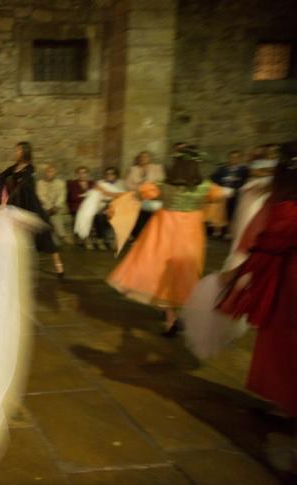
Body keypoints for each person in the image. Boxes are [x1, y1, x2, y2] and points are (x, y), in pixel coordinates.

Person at [216, 140, 297, 437]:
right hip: (286, 274)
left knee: (287, 341)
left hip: (290, 282)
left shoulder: (286, 206)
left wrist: (238, 272)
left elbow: (268, 243)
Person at [107, 146, 224, 336]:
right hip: (190, 233)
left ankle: (169, 317)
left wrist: (118, 205)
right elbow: (218, 197)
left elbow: (140, 193)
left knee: (160, 270)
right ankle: (174, 315)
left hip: (163, 231)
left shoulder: (163, 185)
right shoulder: (206, 186)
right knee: (184, 271)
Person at [0, 142, 64, 277]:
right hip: (18, 204)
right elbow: (2, 176)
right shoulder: (14, 168)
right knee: (13, 235)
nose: (16, 152)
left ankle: (58, 264)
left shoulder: (30, 169)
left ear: (25, 152)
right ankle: (12, 265)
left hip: (31, 204)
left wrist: (7, 200)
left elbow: (22, 186)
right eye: (16, 150)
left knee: (44, 231)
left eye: (18, 150)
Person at [125, 151, 165, 240]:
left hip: (152, 196)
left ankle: (151, 236)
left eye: (146, 157)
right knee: (135, 210)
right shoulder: (133, 169)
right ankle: (138, 236)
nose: (143, 158)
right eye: (141, 157)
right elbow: (128, 185)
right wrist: (139, 188)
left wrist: (148, 186)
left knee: (153, 210)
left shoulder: (157, 168)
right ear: (138, 159)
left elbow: (161, 182)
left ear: (150, 158)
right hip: (137, 196)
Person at [36, 165, 74, 245]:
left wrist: (56, 206)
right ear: (45, 173)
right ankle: (62, 235)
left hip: (58, 208)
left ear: (55, 173)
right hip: (45, 208)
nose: (50, 174)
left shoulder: (60, 183)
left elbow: (62, 196)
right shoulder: (40, 183)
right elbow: (41, 197)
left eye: (52, 172)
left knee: (55, 214)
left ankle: (56, 238)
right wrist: (50, 207)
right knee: (51, 215)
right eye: (48, 172)